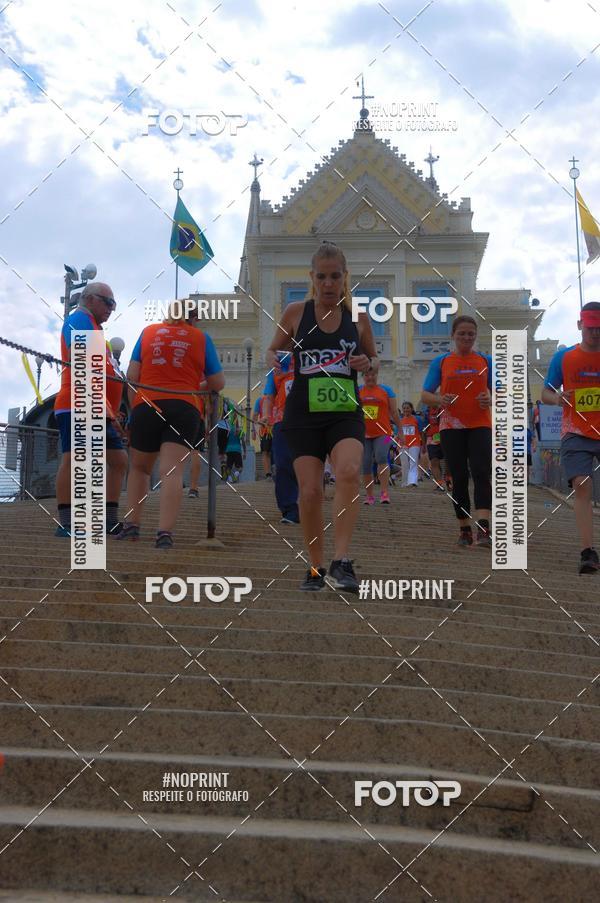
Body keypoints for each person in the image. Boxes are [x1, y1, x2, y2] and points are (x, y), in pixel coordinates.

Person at [266, 240, 377, 592]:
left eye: (335, 277)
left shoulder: (358, 319)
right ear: (312, 278)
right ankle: (314, 566)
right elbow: (273, 349)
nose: (329, 284)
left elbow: (374, 364)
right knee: (310, 491)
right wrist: (271, 357)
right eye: (322, 277)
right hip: (303, 413)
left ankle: (341, 562)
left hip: (344, 411)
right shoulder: (296, 313)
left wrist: (367, 363)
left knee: (347, 472)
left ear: (345, 278)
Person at [119, 300, 224, 548]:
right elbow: (217, 382)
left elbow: (132, 377)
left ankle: (132, 525)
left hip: (148, 403)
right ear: (193, 317)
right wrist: (193, 388)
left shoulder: (148, 333)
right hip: (184, 406)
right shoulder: (201, 338)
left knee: (139, 469)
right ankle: (164, 534)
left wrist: (136, 408)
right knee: (172, 471)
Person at [53, 283, 127, 537]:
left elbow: (105, 374)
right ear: (90, 299)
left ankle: (107, 520)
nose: (111, 309)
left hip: (97, 407)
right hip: (76, 403)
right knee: (74, 460)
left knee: (118, 460)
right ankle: (67, 523)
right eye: (108, 302)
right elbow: (84, 362)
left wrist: (111, 412)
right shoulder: (79, 320)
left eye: (114, 304)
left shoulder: (96, 329)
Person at [421, 315, 492, 547]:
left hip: (480, 424)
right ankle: (464, 528)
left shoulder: (485, 361)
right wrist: (440, 399)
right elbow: (425, 395)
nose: (466, 337)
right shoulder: (442, 362)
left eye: (471, 333)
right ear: (452, 335)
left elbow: (502, 391)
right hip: (451, 426)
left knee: (481, 472)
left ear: (475, 336)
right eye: (461, 333)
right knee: (458, 477)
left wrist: (491, 397)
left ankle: (483, 527)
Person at [542, 301, 600, 573]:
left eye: (599, 328)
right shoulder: (563, 358)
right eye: (590, 328)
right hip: (575, 432)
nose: (595, 333)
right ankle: (587, 551)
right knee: (582, 485)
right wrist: (558, 398)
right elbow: (546, 393)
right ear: (580, 325)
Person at [263, 352, 299, 523]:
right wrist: (265, 415)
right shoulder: (278, 362)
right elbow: (269, 395)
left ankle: (308, 504)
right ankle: (289, 509)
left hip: (309, 422)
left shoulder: (312, 355)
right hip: (281, 421)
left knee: (308, 464)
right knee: (284, 463)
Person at [359, 370, 402, 504]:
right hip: (364, 434)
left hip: (385, 433)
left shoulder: (386, 390)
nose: (370, 377)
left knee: (382, 457)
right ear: (363, 377)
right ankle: (369, 495)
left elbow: (394, 412)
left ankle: (384, 493)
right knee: (365, 464)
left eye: (373, 375)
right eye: (367, 375)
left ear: (377, 376)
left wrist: (400, 431)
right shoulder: (358, 390)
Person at [397, 402, 421, 488]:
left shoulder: (417, 419)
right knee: (404, 464)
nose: (406, 410)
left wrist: (424, 444)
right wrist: (388, 443)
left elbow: (421, 431)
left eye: (408, 408)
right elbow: (397, 434)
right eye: (404, 408)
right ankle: (404, 482)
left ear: (411, 409)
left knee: (413, 462)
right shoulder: (400, 420)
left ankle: (412, 481)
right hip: (403, 445)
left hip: (414, 443)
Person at [424, 405, 446, 491]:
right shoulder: (426, 412)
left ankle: (448, 479)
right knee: (434, 461)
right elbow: (423, 428)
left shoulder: (444, 409)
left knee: (448, 462)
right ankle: (439, 483)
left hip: (444, 435)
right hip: (431, 438)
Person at [252, 394, 273, 479]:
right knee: (265, 452)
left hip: (277, 429)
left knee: (270, 452)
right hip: (266, 431)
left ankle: (272, 472)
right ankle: (268, 474)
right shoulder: (260, 400)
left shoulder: (278, 397)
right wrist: (253, 431)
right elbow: (255, 416)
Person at [224, 413, 245, 482]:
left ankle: (229, 478)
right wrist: (244, 452)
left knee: (229, 466)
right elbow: (243, 442)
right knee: (240, 468)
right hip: (237, 450)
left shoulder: (227, 430)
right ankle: (236, 474)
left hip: (228, 450)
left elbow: (224, 440)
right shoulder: (240, 430)